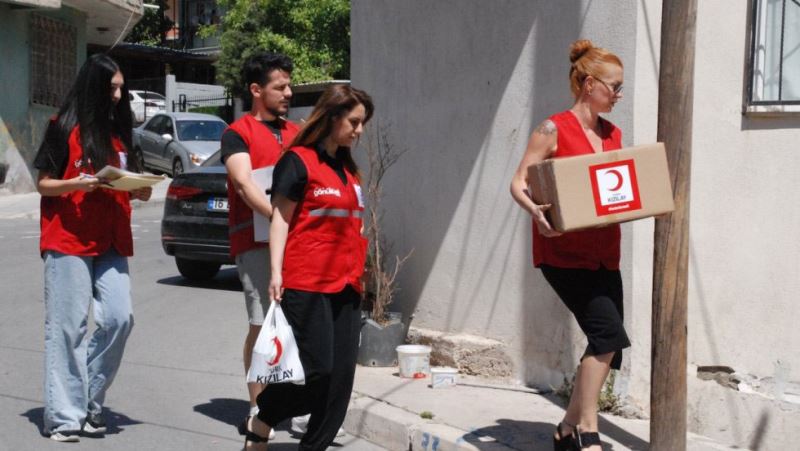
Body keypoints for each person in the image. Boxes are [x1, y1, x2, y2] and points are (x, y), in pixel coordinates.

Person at [509, 39, 630, 451]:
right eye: (613, 87)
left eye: (620, 89)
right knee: (608, 335)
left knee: (607, 345)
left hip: (603, 251)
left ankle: (564, 428)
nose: (617, 95)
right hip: (562, 253)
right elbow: (518, 182)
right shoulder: (552, 128)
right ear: (588, 84)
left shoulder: (613, 134)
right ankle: (588, 431)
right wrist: (537, 214)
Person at [242, 84, 373, 450]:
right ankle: (265, 415)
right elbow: (280, 219)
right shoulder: (298, 161)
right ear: (332, 117)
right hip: (307, 282)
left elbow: (354, 224)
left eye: (363, 123)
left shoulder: (349, 172)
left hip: (347, 285)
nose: (359, 131)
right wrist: (276, 272)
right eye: (354, 122)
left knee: (340, 383)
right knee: (318, 373)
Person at [33, 53, 151, 442]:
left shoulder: (120, 133)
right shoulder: (63, 126)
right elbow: (44, 183)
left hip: (113, 239)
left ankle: (88, 399)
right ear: (93, 87)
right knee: (67, 328)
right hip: (68, 238)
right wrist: (76, 184)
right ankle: (66, 417)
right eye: (111, 87)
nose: (118, 95)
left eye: (121, 87)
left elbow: (127, 179)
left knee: (120, 318)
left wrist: (140, 189)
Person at [221, 52, 300, 440]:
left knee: (296, 321)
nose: (288, 92)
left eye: (289, 85)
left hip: (296, 241)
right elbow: (244, 184)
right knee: (262, 321)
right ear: (256, 90)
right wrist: (277, 217)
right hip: (254, 239)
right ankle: (257, 406)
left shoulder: (297, 132)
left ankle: (293, 402)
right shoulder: (238, 132)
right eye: (279, 86)